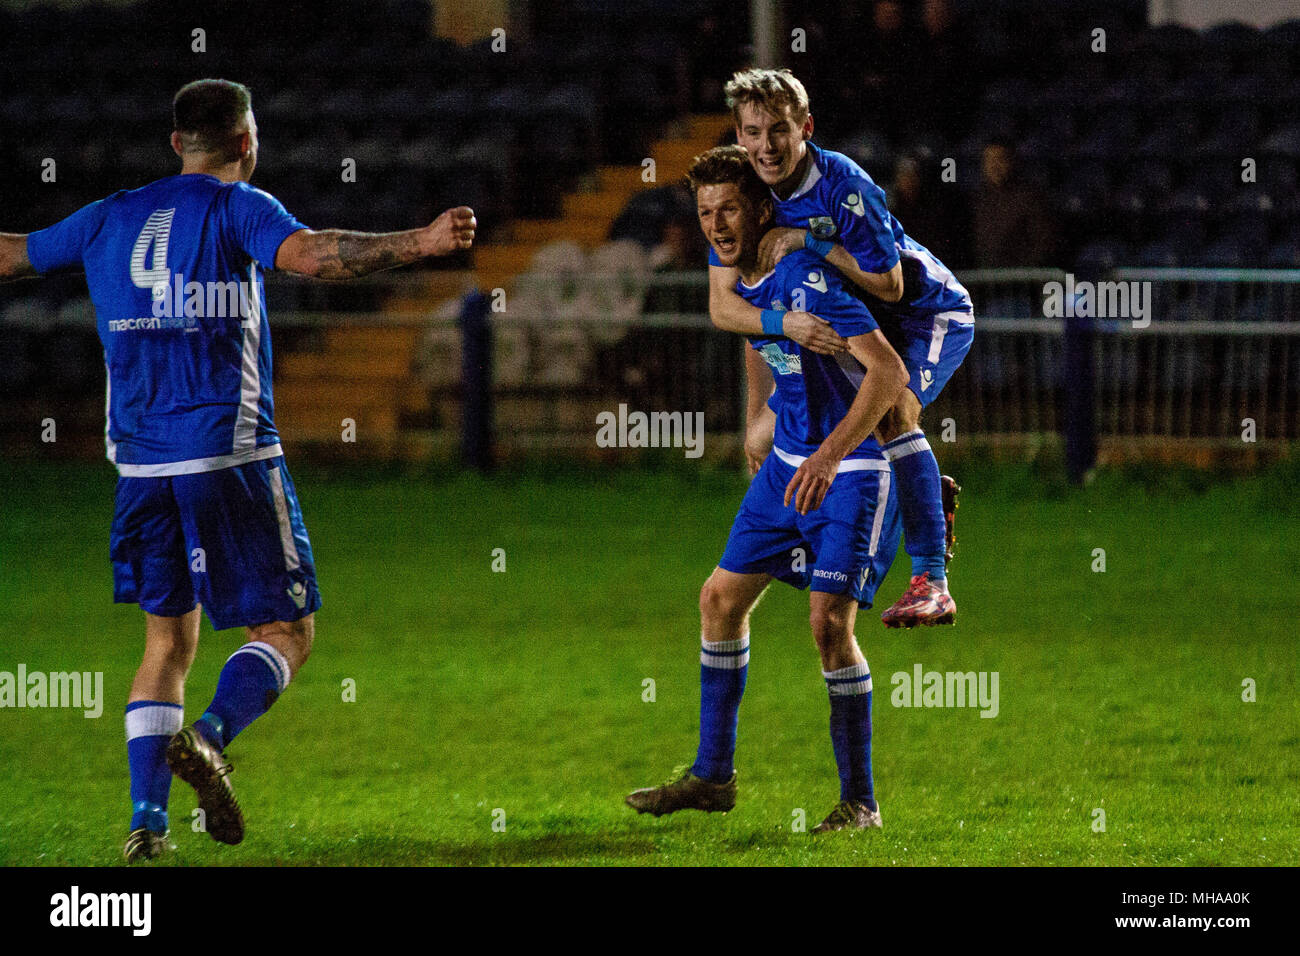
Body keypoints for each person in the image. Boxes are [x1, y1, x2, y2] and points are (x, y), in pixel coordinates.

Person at [0, 78, 476, 861]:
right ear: (247, 143)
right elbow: (318, 256)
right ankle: (213, 738)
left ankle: (146, 826)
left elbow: (15, 254)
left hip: (140, 471)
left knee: (165, 644)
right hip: (230, 456)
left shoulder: (108, 215)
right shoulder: (236, 208)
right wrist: (418, 243)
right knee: (286, 628)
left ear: (174, 143)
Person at [625, 145, 907, 832]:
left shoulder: (802, 273)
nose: (717, 225)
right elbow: (754, 339)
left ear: (759, 209)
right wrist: (761, 419)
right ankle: (713, 776)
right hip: (786, 465)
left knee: (827, 625)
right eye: (705, 213)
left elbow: (888, 372)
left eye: (728, 210)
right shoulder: (739, 272)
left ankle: (860, 803)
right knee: (719, 599)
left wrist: (830, 456)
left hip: (853, 469)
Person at [706, 68, 972, 628]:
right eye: (753, 132)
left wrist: (809, 240)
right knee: (782, 433)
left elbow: (893, 286)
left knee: (890, 411)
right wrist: (767, 386)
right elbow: (730, 306)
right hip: (862, 322)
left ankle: (932, 581)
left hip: (925, 315)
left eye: (778, 129)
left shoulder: (842, 186)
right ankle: (921, 488)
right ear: (739, 134)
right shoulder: (748, 195)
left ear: (805, 127)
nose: (766, 145)